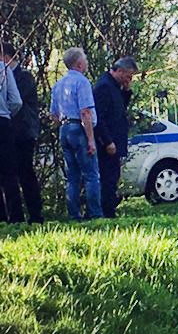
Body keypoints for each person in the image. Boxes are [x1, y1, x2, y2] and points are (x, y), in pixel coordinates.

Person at [50, 47, 103, 220]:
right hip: (78, 129)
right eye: (85, 60)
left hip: (64, 129)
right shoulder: (82, 82)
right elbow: (85, 112)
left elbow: (54, 115)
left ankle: (74, 215)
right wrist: (91, 139)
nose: (86, 63)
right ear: (79, 64)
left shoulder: (58, 85)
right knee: (91, 175)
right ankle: (95, 214)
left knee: (72, 176)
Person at [1, 43, 43, 223]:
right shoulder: (6, 72)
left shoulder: (24, 76)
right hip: (10, 129)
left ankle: (35, 214)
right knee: (9, 173)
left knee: (25, 174)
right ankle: (11, 216)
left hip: (23, 131)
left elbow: (19, 101)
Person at [93, 56, 138, 217]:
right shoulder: (104, 87)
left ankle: (110, 208)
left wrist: (126, 91)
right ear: (119, 70)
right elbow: (99, 117)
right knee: (108, 177)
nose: (129, 80)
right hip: (107, 142)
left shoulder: (115, 87)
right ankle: (107, 211)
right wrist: (108, 141)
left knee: (113, 176)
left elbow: (119, 108)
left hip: (115, 139)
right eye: (128, 76)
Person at [0, 48, 24, 222]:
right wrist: (6, 112)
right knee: (9, 172)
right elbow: (16, 101)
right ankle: (16, 217)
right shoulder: (3, 68)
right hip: (3, 122)